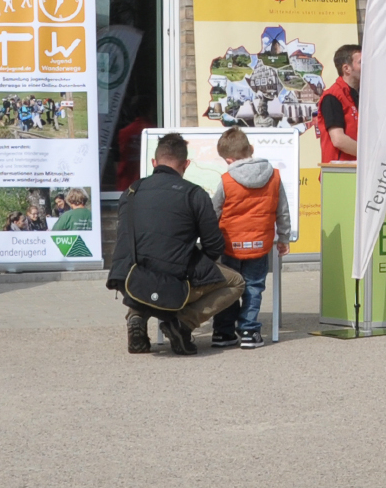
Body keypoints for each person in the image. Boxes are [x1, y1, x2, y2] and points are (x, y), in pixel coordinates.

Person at [108, 133, 244, 356]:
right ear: (186, 164)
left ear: (154, 162)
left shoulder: (131, 191)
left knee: (146, 264)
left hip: (128, 278)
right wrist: (199, 264)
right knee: (236, 282)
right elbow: (213, 245)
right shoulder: (194, 194)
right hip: (172, 279)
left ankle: (136, 314)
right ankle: (182, 323)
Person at [210, 127, 292, 349]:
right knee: (253, 287)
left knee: (228, 287)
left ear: (228, 160)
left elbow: (214, 211)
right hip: (260, 245)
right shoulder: (274, 176)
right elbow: (282, 211)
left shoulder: (226, 180)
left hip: (230, 245)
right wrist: (284, 237)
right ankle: (249, 330)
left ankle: (223, 332)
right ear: (251, 149)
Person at [315, 45, 362, 163]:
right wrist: (370, 155)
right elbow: (339, 140)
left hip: (359, 168)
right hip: (339, 170)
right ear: (346, 68)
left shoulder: (363, 95)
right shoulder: (333, 97)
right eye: (361, 62)